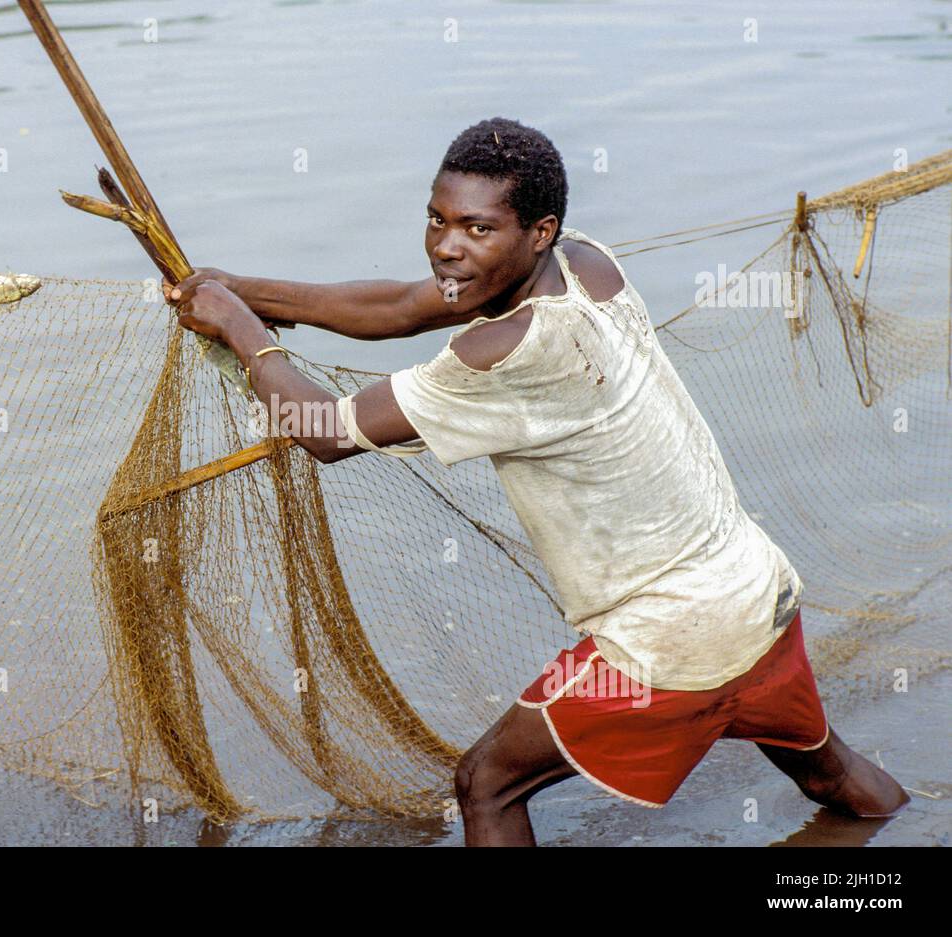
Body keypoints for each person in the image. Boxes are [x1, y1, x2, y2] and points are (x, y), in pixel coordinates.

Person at [164, 117, 910, 846]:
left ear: (538, 231)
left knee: (488, 782)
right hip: (756, 595)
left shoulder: (508, 354)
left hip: (667, 647)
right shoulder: (588, 266)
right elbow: (397, 306)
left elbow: (326, 434)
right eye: (436, 220)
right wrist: (237, 288)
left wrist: (241, 330)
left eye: (477, 229)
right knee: (831, 777)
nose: (448, 248)